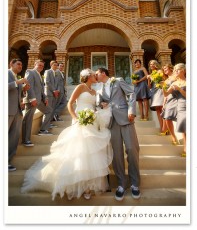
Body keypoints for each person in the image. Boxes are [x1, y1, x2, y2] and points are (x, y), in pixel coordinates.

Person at [21, 68, 113, 201]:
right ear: (87, 77)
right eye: (93, 75)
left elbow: (94, 106)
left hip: (92, 122)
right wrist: (75, 118)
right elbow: (70, 103)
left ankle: (88, 187)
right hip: (80, 120)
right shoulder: (80, 87)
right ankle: (74, 185)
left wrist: (101, 108)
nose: (95, 77)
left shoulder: (94, 91)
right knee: (79, 151)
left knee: (91, 153)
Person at [96, 67, 141, 201]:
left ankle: (135, 184)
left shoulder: (118, 80)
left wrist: (131, 110)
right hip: (111, 122)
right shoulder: (100, 88)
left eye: (97, 73)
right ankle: (121, 184)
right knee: (117, 154)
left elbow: (131, 93)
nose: (96, 75)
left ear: (103, 73)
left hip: (126, 118)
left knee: (132, 149)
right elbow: (99, 103)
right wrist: (101, 104)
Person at [22, 59, 53, 143]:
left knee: (49, 110)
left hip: (39, 100)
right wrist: (32, 99)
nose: (41, 67)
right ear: (35, 64)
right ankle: (26, 140)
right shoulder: (30, 72)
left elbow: (41, 90)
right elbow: (28, 86)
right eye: (39, 65)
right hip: (32, 100)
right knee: (28, 119)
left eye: (42, 66)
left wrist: (45, 98)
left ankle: (43, 130)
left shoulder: (39, 75)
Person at [8, 58, 29, 171]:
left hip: (17, 111)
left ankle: (7, 161)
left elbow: (16, 93)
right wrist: (18, 83)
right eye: (18, 64)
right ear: (11, 64)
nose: (20, 67)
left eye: (21, 65)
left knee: (13, 138)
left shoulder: (16, 77)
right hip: (7, 111)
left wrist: (24, 89)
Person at [163, 63, 186, 156]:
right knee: (184, 126)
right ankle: (184, 146)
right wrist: (162, 87)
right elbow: (166, 94)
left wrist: (180, 89)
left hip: (185, 103)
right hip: (178, 103)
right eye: (175, 70)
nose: (176, 71)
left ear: (183, 70)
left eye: (178, 69)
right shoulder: (174, 83)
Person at [160, 64, 178, 145]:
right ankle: (173, 136)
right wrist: (164, 103)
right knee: (167, 118)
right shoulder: (166, 80)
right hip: (169, 99)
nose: (165, 70)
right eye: (163, 69)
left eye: (165, 68)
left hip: (178, 98)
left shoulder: (176, 76)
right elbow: (165, 94)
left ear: (170, 68)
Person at [147, 60, 165, 131]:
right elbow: (149, 86)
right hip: (154, 91)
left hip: (160, 90)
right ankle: (161, 127)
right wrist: (148, 79)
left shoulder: (160, 71)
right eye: (150, 64)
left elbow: (163, 80)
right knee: (157, 109)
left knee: (162, 108)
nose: (151, 65)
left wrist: (151, 77)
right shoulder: (151, 74)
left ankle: (165, 127)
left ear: (156, 64)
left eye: (153, 64)